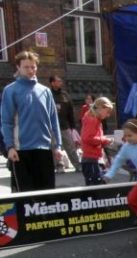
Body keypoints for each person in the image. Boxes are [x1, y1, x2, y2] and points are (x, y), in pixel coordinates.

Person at [0, 51, 62, 191]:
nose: (30, 70)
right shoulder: (10, 91)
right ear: (18, 67)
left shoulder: (45, 91)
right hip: (21, 150)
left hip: (44, 149)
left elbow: (53, 119)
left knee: (47, 193)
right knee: (26, 196)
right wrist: (9, 147)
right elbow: (6, 121)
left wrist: (58, 146)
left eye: (33, 67)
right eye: (26, 67)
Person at [79, 97, 114, 185]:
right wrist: (105, 140)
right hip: (91, 159)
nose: (108, 115)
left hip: (92, 158)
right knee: (96, 188)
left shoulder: (93, 119)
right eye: (108, 112)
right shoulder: (92, 120)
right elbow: (87, 138)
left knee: (95, 186)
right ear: (101, 108)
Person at [49, 75, 81, 173]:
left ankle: (77, 165)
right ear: (52, 83)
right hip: (52, 127)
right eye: (58, 81)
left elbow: (71, 111)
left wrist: (73, 126)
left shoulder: (65, 95)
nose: (60, 83)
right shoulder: (48, 94)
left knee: (70, 146)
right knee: (54, 147)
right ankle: (59, 166)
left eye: (60, 81)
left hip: (64, 125)